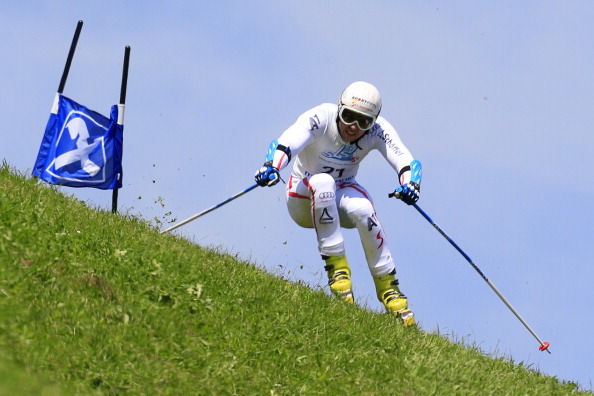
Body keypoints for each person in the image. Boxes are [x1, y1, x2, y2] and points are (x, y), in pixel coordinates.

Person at [254, 81, 422, 326]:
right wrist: (272, 166)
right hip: (303, 197)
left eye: (364, 121)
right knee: (323, 182)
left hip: (341, 194)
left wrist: (410, 184)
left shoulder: (378, 131)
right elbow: (288, 141)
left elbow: (405, 160)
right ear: (339, 108)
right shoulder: (320, 117)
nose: (354, 127)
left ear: (373, 121)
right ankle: (337, 271)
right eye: (349, 117)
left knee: (364, 209)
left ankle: (389, 289)